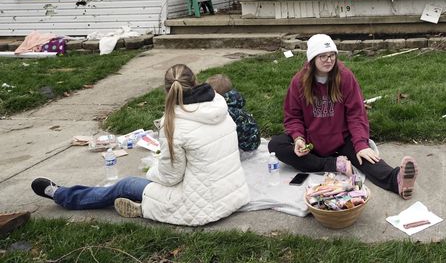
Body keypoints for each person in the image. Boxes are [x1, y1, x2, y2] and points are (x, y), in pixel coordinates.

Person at [30, 64, 250, 225]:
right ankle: (143, 206)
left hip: (200, 208)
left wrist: (154, 169)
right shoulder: (219, 106)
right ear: (196, 81)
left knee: (125, 185)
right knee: (142, 187)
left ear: (167, 90)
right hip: (234, 194)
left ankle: (63, 195)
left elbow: (170, 176)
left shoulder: (174, 124)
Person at [268, 34, 418, 199]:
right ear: (312, 59)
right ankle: (333, 164)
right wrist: (298, 138)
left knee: (364, 155)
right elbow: (293, 116)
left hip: (341, 141)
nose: (328, 60)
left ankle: (396, 180)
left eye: (332, 55)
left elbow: (356, 114)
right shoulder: (299, 81)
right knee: (276, 145)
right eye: (322, 56)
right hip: (312, 144)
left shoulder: (345, 76)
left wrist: (361, 144)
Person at [206, 73, 261, 153]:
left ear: (215, 94)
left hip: (245, 148)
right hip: (252, 141)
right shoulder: (233, 101)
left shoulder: (226, 111)